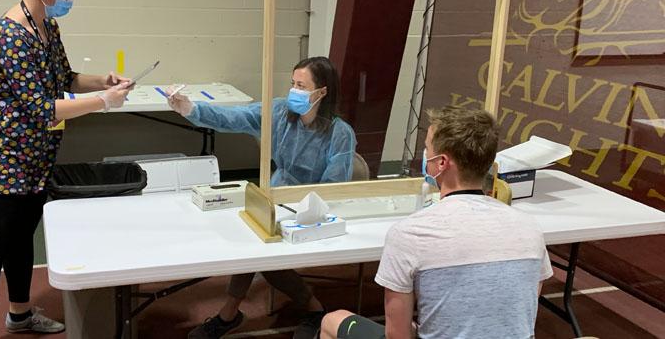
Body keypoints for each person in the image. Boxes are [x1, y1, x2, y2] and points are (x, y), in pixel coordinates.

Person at [0, 0, 131, 339]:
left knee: (23, 239)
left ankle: (20, 315)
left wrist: (101, 84)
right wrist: (104, 103)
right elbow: (43, 109)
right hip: (5, 156)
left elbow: (65, 77)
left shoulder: (46, 26)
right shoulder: (11, 34)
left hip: (36, 155)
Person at [319, 106, 553, 339]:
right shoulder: (530, 228)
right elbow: (522, 317)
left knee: (333, 320)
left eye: (426, 148)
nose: (423, 154)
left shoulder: (409, 234)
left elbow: (397, 336)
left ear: (441, 163)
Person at [167, 56, 356, 338]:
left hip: (312, 209)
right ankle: (250, 312)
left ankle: (245, 313)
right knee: (253, 241)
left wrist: (300, 209)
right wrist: (190, 108)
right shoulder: (280, 112)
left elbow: (334, 188)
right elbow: (236, 117)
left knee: (258, 251)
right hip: (275, 198)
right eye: (293, 83)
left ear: (322, 92)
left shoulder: (340, 134)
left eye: (302, 86)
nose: (294, 91)